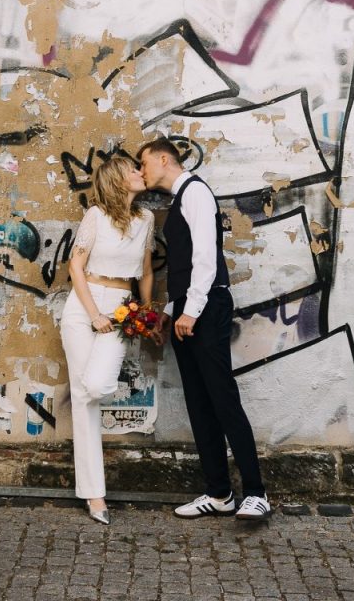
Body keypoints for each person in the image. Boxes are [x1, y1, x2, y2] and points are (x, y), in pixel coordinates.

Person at [138, 136, 270, 522]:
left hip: (207, 306)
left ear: (164, 159)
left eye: (144, 163)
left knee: (222, 398)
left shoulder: (195, 192)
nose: (142, 171)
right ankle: (219, 493)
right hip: (191, 309)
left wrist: (192, 310)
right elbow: (183, 266)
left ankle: (257, 492)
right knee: (199, 402)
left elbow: (206, 259)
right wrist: (172, 310)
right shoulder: (180, 199)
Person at [60, 152, 154, 525]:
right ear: (118, 179)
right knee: (85, 402)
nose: (139, 172)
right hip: (82, 307)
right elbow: (75, 266)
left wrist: (147, 313)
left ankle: (93, 491)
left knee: (95, 386)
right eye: (133, 170)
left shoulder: (146, 219)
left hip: (121, 308)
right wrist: (93, 313)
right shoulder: (96, 216)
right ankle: (95, 495)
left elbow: (146, 271)